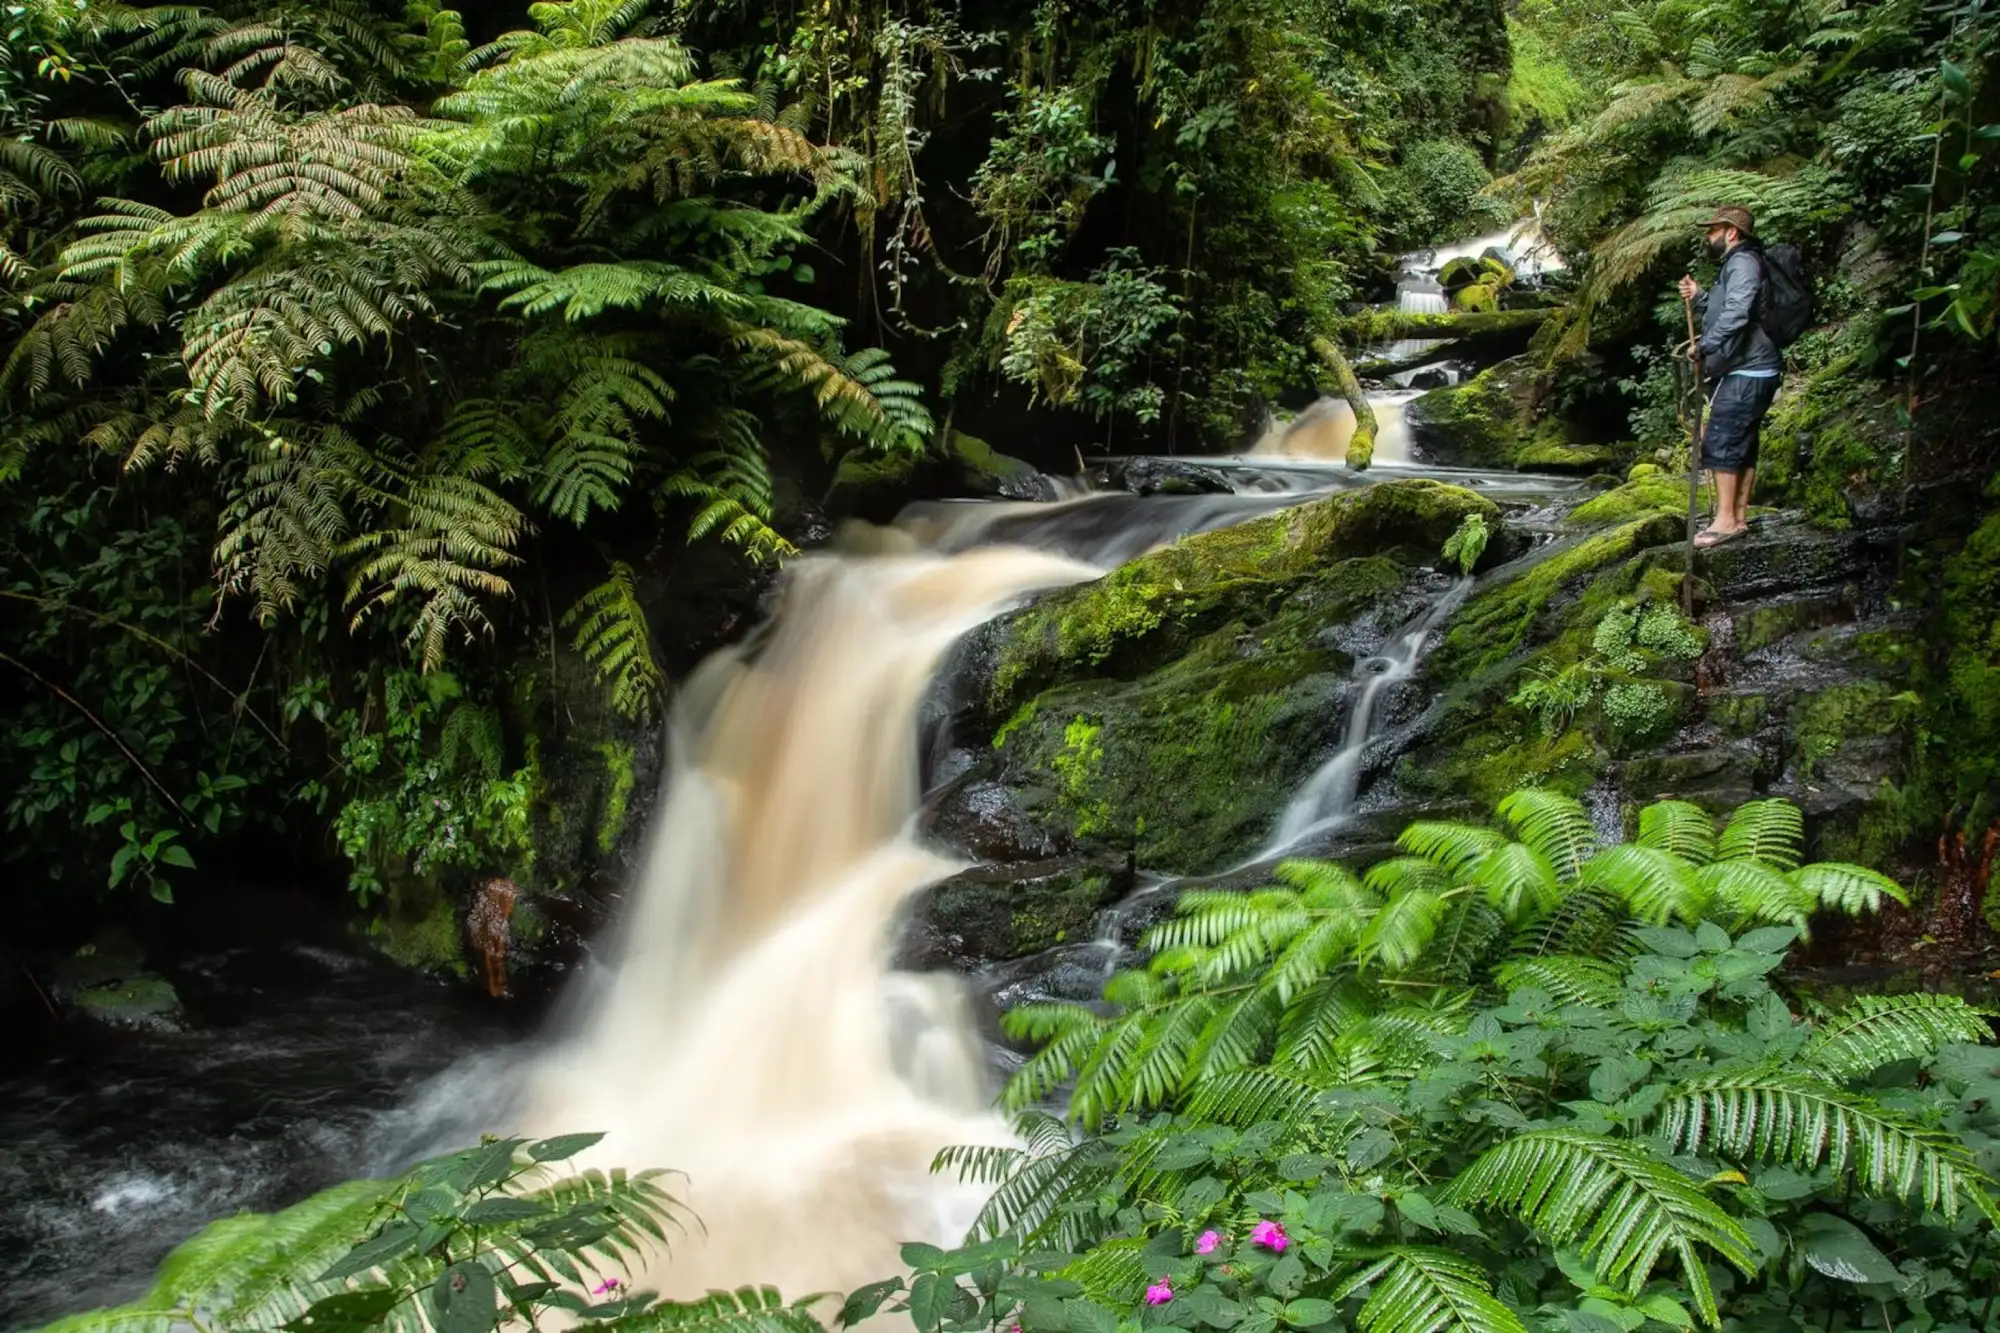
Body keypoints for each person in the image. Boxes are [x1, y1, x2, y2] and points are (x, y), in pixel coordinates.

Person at [1677, 205, 1782, 548]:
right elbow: (1731, 307)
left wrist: (1704, 346)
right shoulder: (1739, 265)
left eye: (1713, 230)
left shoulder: (1742, 263)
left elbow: (1737, 314)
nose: (1709, 236)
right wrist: (1700, 297)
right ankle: (1737, 517)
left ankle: (1723, 522)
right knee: (1743, 442)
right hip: (1753, 367)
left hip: (1747, 368)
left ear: (1731, 233)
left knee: (1721, 439)